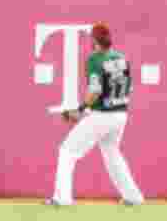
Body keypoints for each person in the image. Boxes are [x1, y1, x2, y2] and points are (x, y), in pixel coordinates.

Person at [49, 23, 144, 207]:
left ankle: (62, 198)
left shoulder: (95, 59)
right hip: (120, 113)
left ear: (94, 40)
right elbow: (129, 87)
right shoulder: (121, 58)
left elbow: (95, 89)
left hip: (102, 114)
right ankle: (133, 196)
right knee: (112, 154)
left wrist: (81, 109)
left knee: (67, 151)